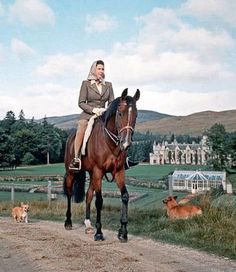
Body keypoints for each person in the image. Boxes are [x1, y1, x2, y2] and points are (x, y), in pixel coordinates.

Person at [69, 60, 114, 170]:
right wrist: (93, 110)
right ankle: (76, 159)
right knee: (82, 127)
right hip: (88, 115)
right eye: (99, 69)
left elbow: (112, 102)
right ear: (94, 69)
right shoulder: (86, 84)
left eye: (103, 69)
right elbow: (81, 103)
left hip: (103, 115)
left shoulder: (108, 85)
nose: (101, 71)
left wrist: (106, 110)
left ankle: (123, 159)